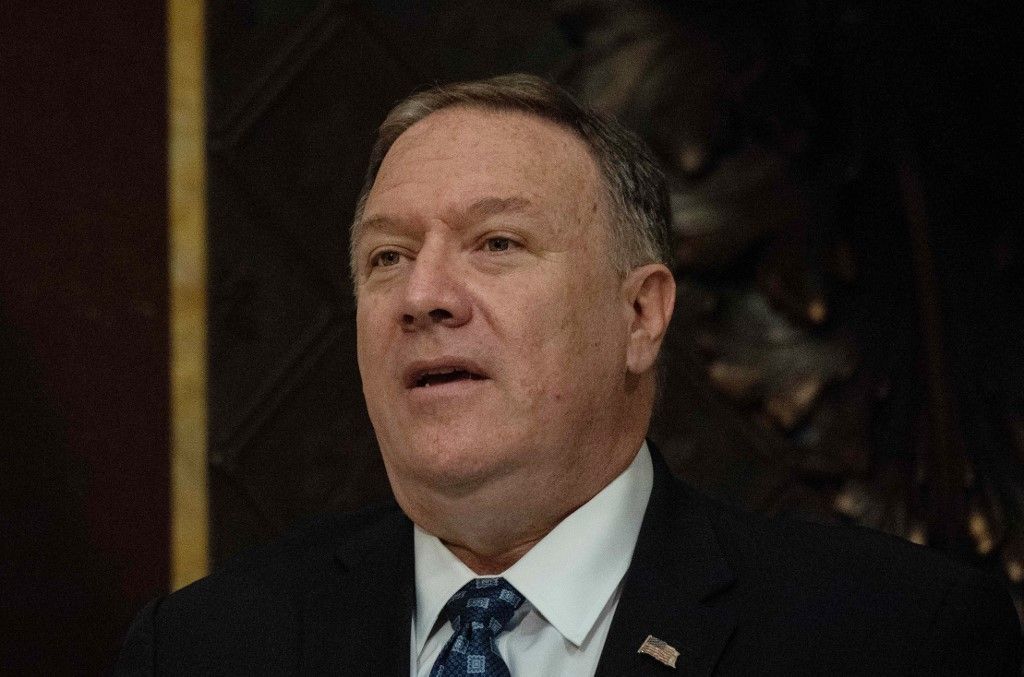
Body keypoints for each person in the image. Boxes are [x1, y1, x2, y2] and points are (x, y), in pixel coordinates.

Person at [115, 74, 1022, 675]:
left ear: (641, 314)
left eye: (496, 243)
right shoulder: (201, 650)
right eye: (387, 256)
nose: (422, 295)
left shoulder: (892, 639)